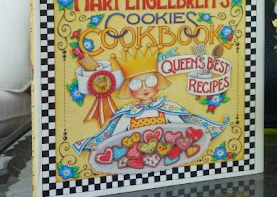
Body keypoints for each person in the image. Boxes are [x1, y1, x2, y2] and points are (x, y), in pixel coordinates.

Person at [74, 46, 230, 154]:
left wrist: (201, 131)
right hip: (136, 156)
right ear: (128, 88)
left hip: (165, 153)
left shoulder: (166, 107)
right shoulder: (128, 114)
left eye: (150, 81)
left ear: (158, 82)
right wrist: (100, 146)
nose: (144, 87)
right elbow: (115, 136)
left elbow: (183, 127)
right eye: (136, 83)